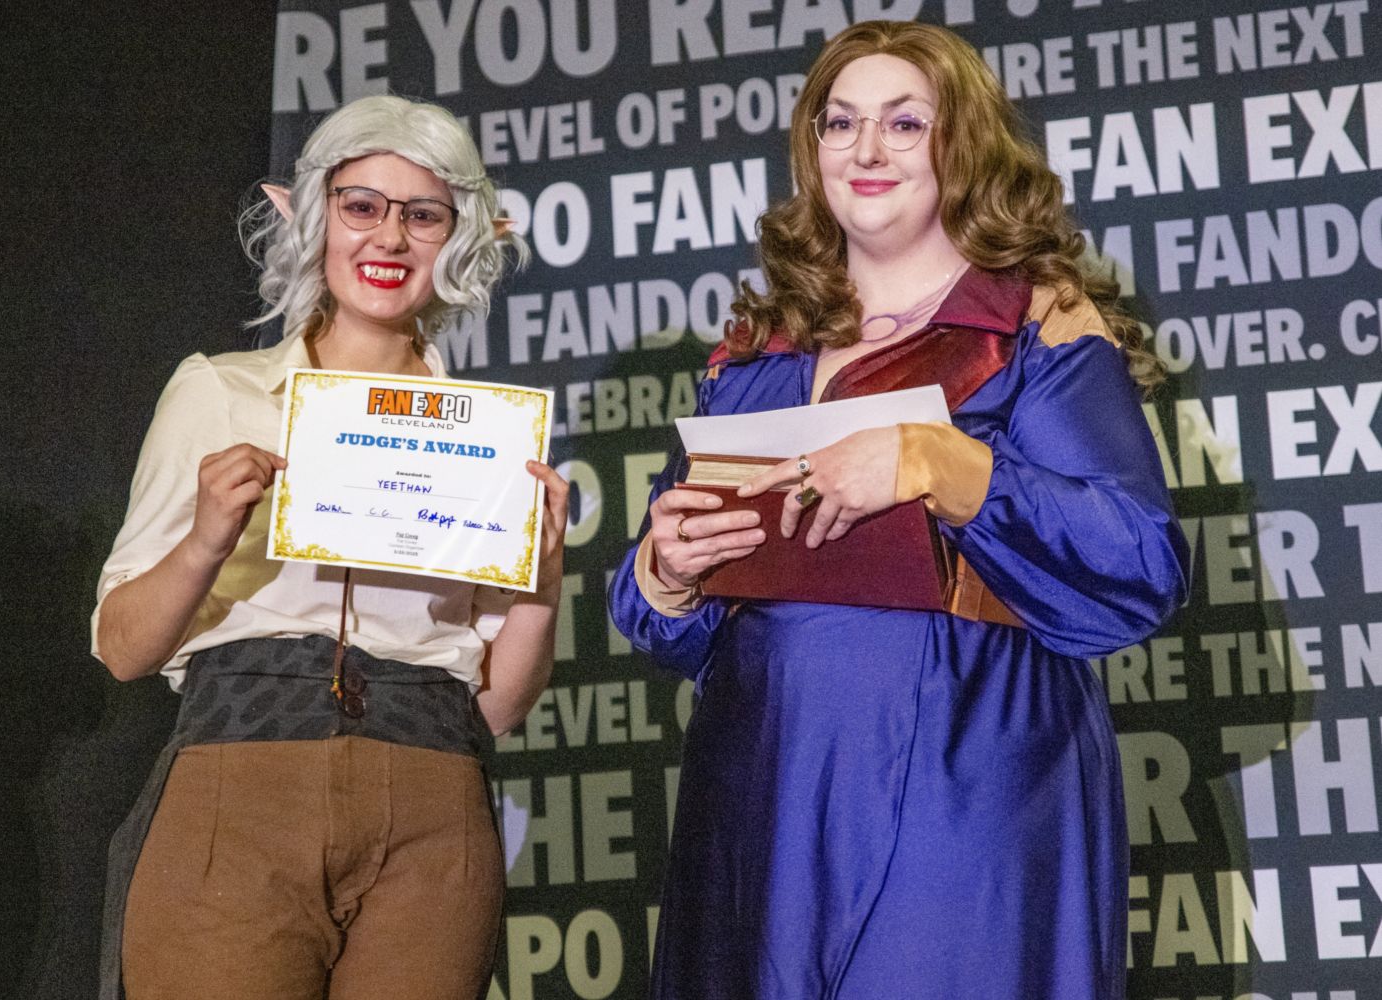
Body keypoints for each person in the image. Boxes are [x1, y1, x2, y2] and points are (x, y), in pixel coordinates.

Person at [609, 21, 1188, 1000]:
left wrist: (946, 466)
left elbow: (1141, 562)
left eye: (903, 122)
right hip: (764, 796)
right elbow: (677, 620)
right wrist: (663, 573)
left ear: (960, 147)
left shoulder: (1031, 327)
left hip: (971, 776)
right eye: (841, 123)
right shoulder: (755, 357)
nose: (866, 150)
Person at [92, 94, 567, 1000]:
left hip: (433, 801)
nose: (388, 239)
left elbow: (500, 708)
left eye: (422, 214)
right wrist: (205, 540)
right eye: (362, 206)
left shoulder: (493, 439)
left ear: (459, 238)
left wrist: (542, 580)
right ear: (315, 218)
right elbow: (121, 649)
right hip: (241, 784)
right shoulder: (217, 394)